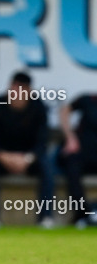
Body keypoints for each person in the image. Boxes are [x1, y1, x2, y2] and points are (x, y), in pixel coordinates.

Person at [0, 72, 54, 229]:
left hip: (29, 158)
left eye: (22, 90)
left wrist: (27, 158)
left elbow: (42, 141)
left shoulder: (38, 106)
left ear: (29, 91)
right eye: (14, 88)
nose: (17, 94)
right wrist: (3, 156)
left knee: (47, 167)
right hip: (2, 157)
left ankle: (46, 218)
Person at [59, 92, 97, 228]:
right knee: (72, 164)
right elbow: (65, 110)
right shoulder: (88, 99)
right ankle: (82, 213)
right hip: (84, 153)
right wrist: (70, 137)